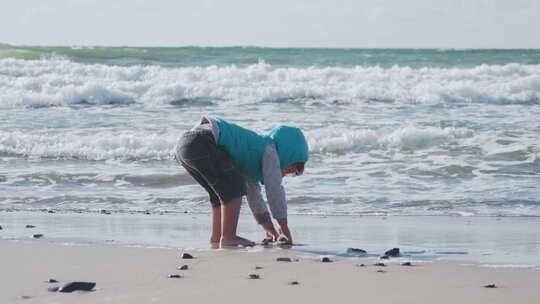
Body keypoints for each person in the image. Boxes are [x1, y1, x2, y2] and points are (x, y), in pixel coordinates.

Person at [175, 116, 308, 248]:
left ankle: (217, 237)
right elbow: (274, 190)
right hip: (203, 140)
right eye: (289, 168)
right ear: (286, 153)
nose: (284, 174)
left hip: (185, 145)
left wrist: (271, 230)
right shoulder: (270, 150)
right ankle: (229, 237)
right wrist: (283, 227)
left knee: (219, 194)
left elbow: (254, 197)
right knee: (234, 188)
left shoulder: (251, 160)